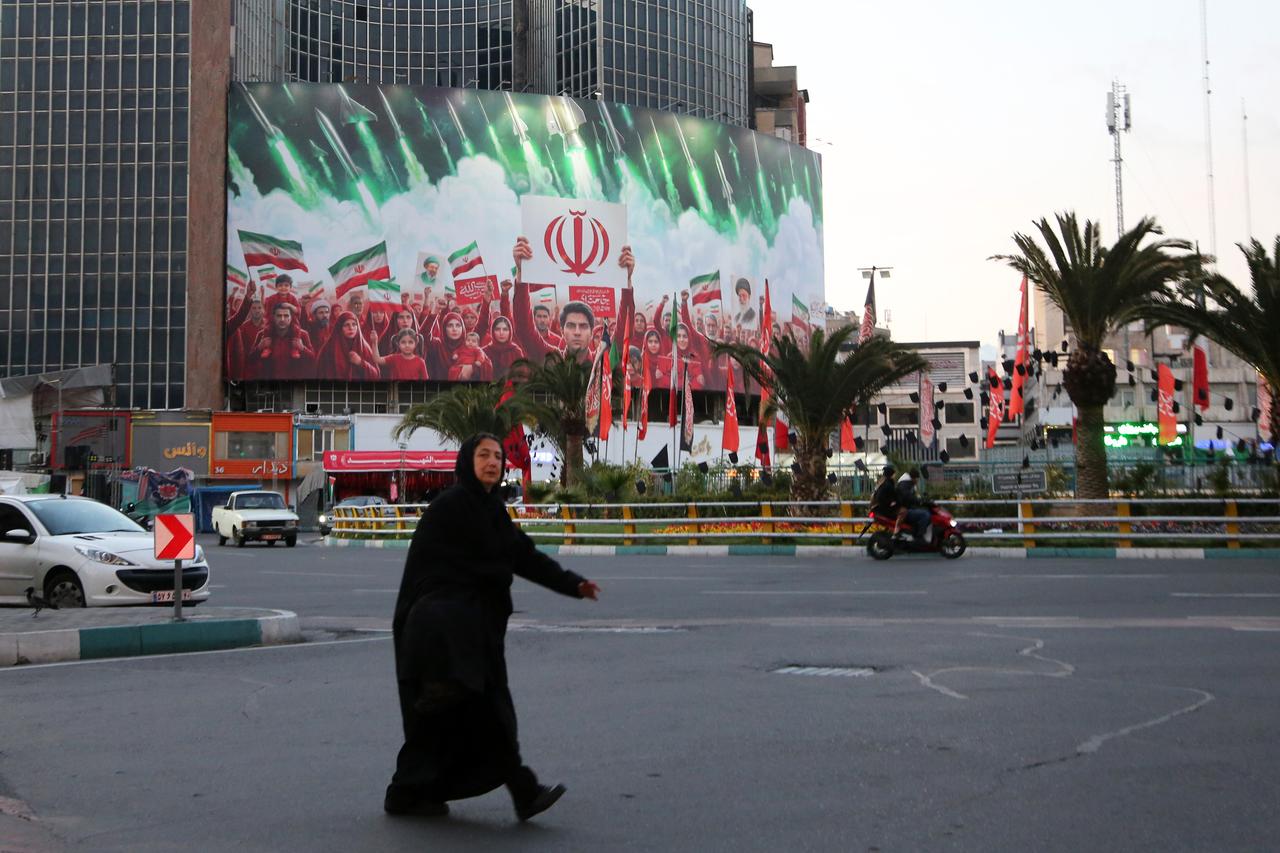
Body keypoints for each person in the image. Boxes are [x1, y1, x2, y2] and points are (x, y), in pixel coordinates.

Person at [386, 434, 602, 821]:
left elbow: (523, 556)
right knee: (481, 715)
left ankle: (410, 791)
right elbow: (425, 577)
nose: (492, 462)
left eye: (498, 456)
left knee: (451, 720)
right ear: (466, 460)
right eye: (483, 454)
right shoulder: (448, 508)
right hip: (442, 636)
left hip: (472, 632)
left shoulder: (492, 512)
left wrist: (572, 583)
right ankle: (521, 791)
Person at [895, 468, 931, 542]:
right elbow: (908, 497)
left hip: (906, 508)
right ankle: (919, 536)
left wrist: (922, 500)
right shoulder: (904, 484)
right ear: (914, 478)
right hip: (904, 510)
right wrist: (919, 501)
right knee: (925, 514)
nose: (917, 481)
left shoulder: (908, 484)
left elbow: (912, 496)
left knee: (924, 510)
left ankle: (915, 532)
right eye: (917, 479)